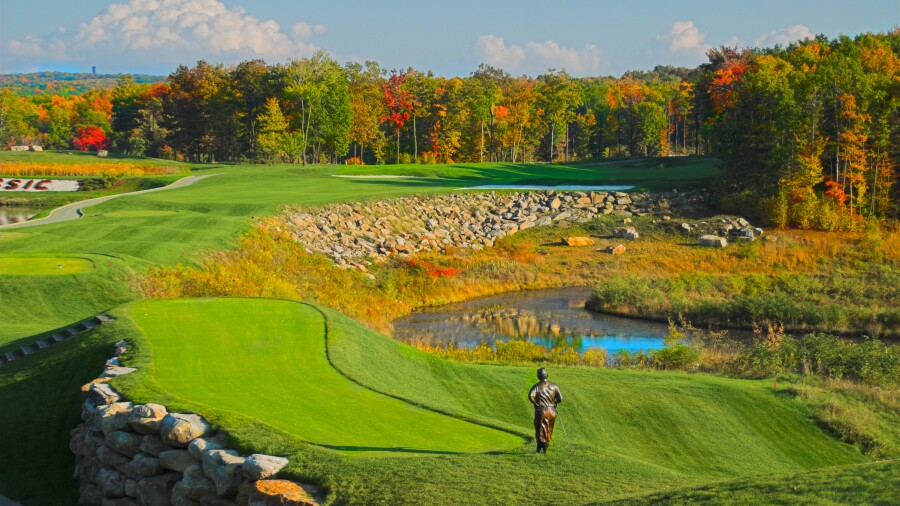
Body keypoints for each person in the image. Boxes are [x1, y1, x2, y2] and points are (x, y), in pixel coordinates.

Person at [528, 367, 563, 453]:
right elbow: (560, 398)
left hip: (541, 411)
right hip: (551, 411)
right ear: (546, 375)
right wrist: (554, 402)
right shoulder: (554, 385)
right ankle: (544, 448)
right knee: (548, 429)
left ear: (538, 376)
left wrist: (536, 404)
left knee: (540, 429)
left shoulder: (537, 386)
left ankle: (540, 449)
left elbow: (531, 396)